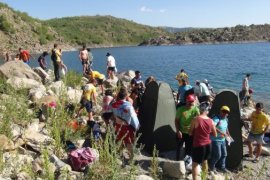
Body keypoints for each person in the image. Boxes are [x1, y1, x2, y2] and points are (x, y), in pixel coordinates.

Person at [189, 102, 217, 180]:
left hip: (198, 145)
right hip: (208, 144)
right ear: (207, 111)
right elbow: (215, 134)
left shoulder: (196, 119)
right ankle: (203, 178)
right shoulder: (211, 121)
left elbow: (190, 132)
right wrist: (207, 132)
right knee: (205, 162)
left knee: (195, 164)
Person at [110, 87, 140, 160]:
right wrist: (137, 126)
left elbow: (113, 116)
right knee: (129, 142)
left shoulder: (113, 105)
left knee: (120, 139)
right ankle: (131, 158)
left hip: (118, 125)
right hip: (127, 127)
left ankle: (119, 154)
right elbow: (133, 117)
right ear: (126, 96)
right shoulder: (128, 106)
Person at [175, 94, 200, 160]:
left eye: (192, 101)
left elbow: (199, 120)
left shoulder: (195, 110)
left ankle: (186, 162)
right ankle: (177, 161)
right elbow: (176, 121)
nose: (190, 103)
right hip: (181, 132)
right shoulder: (181, 109)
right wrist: (178, 131)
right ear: (186, 101)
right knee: (179, 148)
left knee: (189, 149)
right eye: (189, 101)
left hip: (191, 133)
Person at [209, 106, 231, 173]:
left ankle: (222, 167)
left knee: (224, 154)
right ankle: (212, 167)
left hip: (223, 140)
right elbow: (212, 127)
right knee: (218, 155)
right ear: (220, 111)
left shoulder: (226, 119)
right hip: (215, 140)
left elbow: (226, 127)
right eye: (223, 111)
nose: (225, 113)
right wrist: (221, 132)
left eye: (227, 112)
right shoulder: (216, 119)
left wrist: (228, 134)